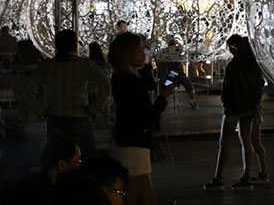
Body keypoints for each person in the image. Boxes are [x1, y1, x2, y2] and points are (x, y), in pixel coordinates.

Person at [21, 29, 110, 160]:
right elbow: (105, 85)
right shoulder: (83, 64)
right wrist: (93, 108)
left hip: (55, 116)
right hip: (79, 115)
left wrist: (39, 109)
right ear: (75, 45)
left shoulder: (47, 66)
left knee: (58, 157)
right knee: (86, 157)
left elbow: (25, 89)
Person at [109, 32, 174, 205]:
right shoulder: (130, 82)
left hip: (128, 140)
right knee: (135, 193)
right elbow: (146, 116)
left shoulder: (120, 77)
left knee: (143, 192)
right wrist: (164, 97)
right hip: (134, 143)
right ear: (126, 55)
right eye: (139, 51)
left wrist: (144, 66)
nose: (143, 54)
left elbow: (149, 85)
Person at [204, 35, 268, 190]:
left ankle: (218, 177)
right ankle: (246, 175)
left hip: (234, 108)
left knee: (225, 142)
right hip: (249, 108)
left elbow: (229, 88)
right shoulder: (254, 63)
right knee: (246, 141)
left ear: (235, 46)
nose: (229, 50)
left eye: (229, 47)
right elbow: (259, 85)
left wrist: (226, 103)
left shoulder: (234, 65)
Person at [6, 133, 81, 204]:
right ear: (61, 165)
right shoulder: (39, 194)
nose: (78, 167)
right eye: (77, 162)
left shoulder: (31, 183)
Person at [159, 37, 197, 109]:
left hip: (179, 72)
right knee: (165, 87)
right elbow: (162, 59)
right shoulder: (165, 52)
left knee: (189, 86)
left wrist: (179, 47)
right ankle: (161, 102)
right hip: (171, 73)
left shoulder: (178, 50)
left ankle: (193, 101)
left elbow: (182, 53)